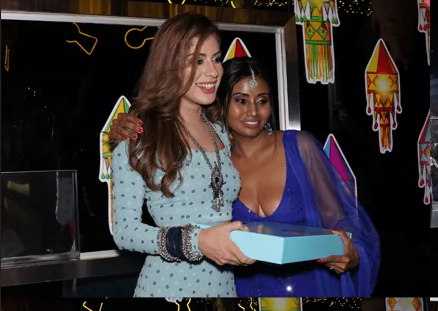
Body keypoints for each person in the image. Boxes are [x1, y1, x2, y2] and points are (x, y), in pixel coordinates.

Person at [110, 56, 380, 297]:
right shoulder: (217, 161)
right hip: (242, 292)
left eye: (262, 101)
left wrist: (352, 252)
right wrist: (131, 128)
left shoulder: (300, 147)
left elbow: (340, 220)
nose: (253, 111)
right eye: (241, 100)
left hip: (311, 289)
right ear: (221, 102)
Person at [110, 13, 254, 297]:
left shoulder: (220, 130)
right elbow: (124, 232)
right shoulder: (140, 135)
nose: (212, 72)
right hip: (167, 288)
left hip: (225, 290)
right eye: (197, 61)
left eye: (216, 59)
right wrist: (195, 241)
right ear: (170, 65)